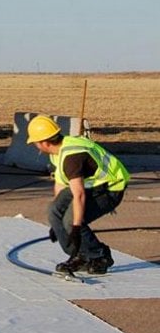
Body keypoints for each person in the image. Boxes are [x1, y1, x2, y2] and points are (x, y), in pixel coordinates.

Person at [26, 115, 130, 275]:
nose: (34, 145)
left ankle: (99, 255)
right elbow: (60, 184)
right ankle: (80, 256)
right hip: (91, 185)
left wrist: (75, 227)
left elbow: (79, 194)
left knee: (70, 221)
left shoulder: (72, 157)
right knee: (54, 213)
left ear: (44, 142)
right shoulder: (57, 152)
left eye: (34, 142)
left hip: (110, 188)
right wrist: (57, 224)